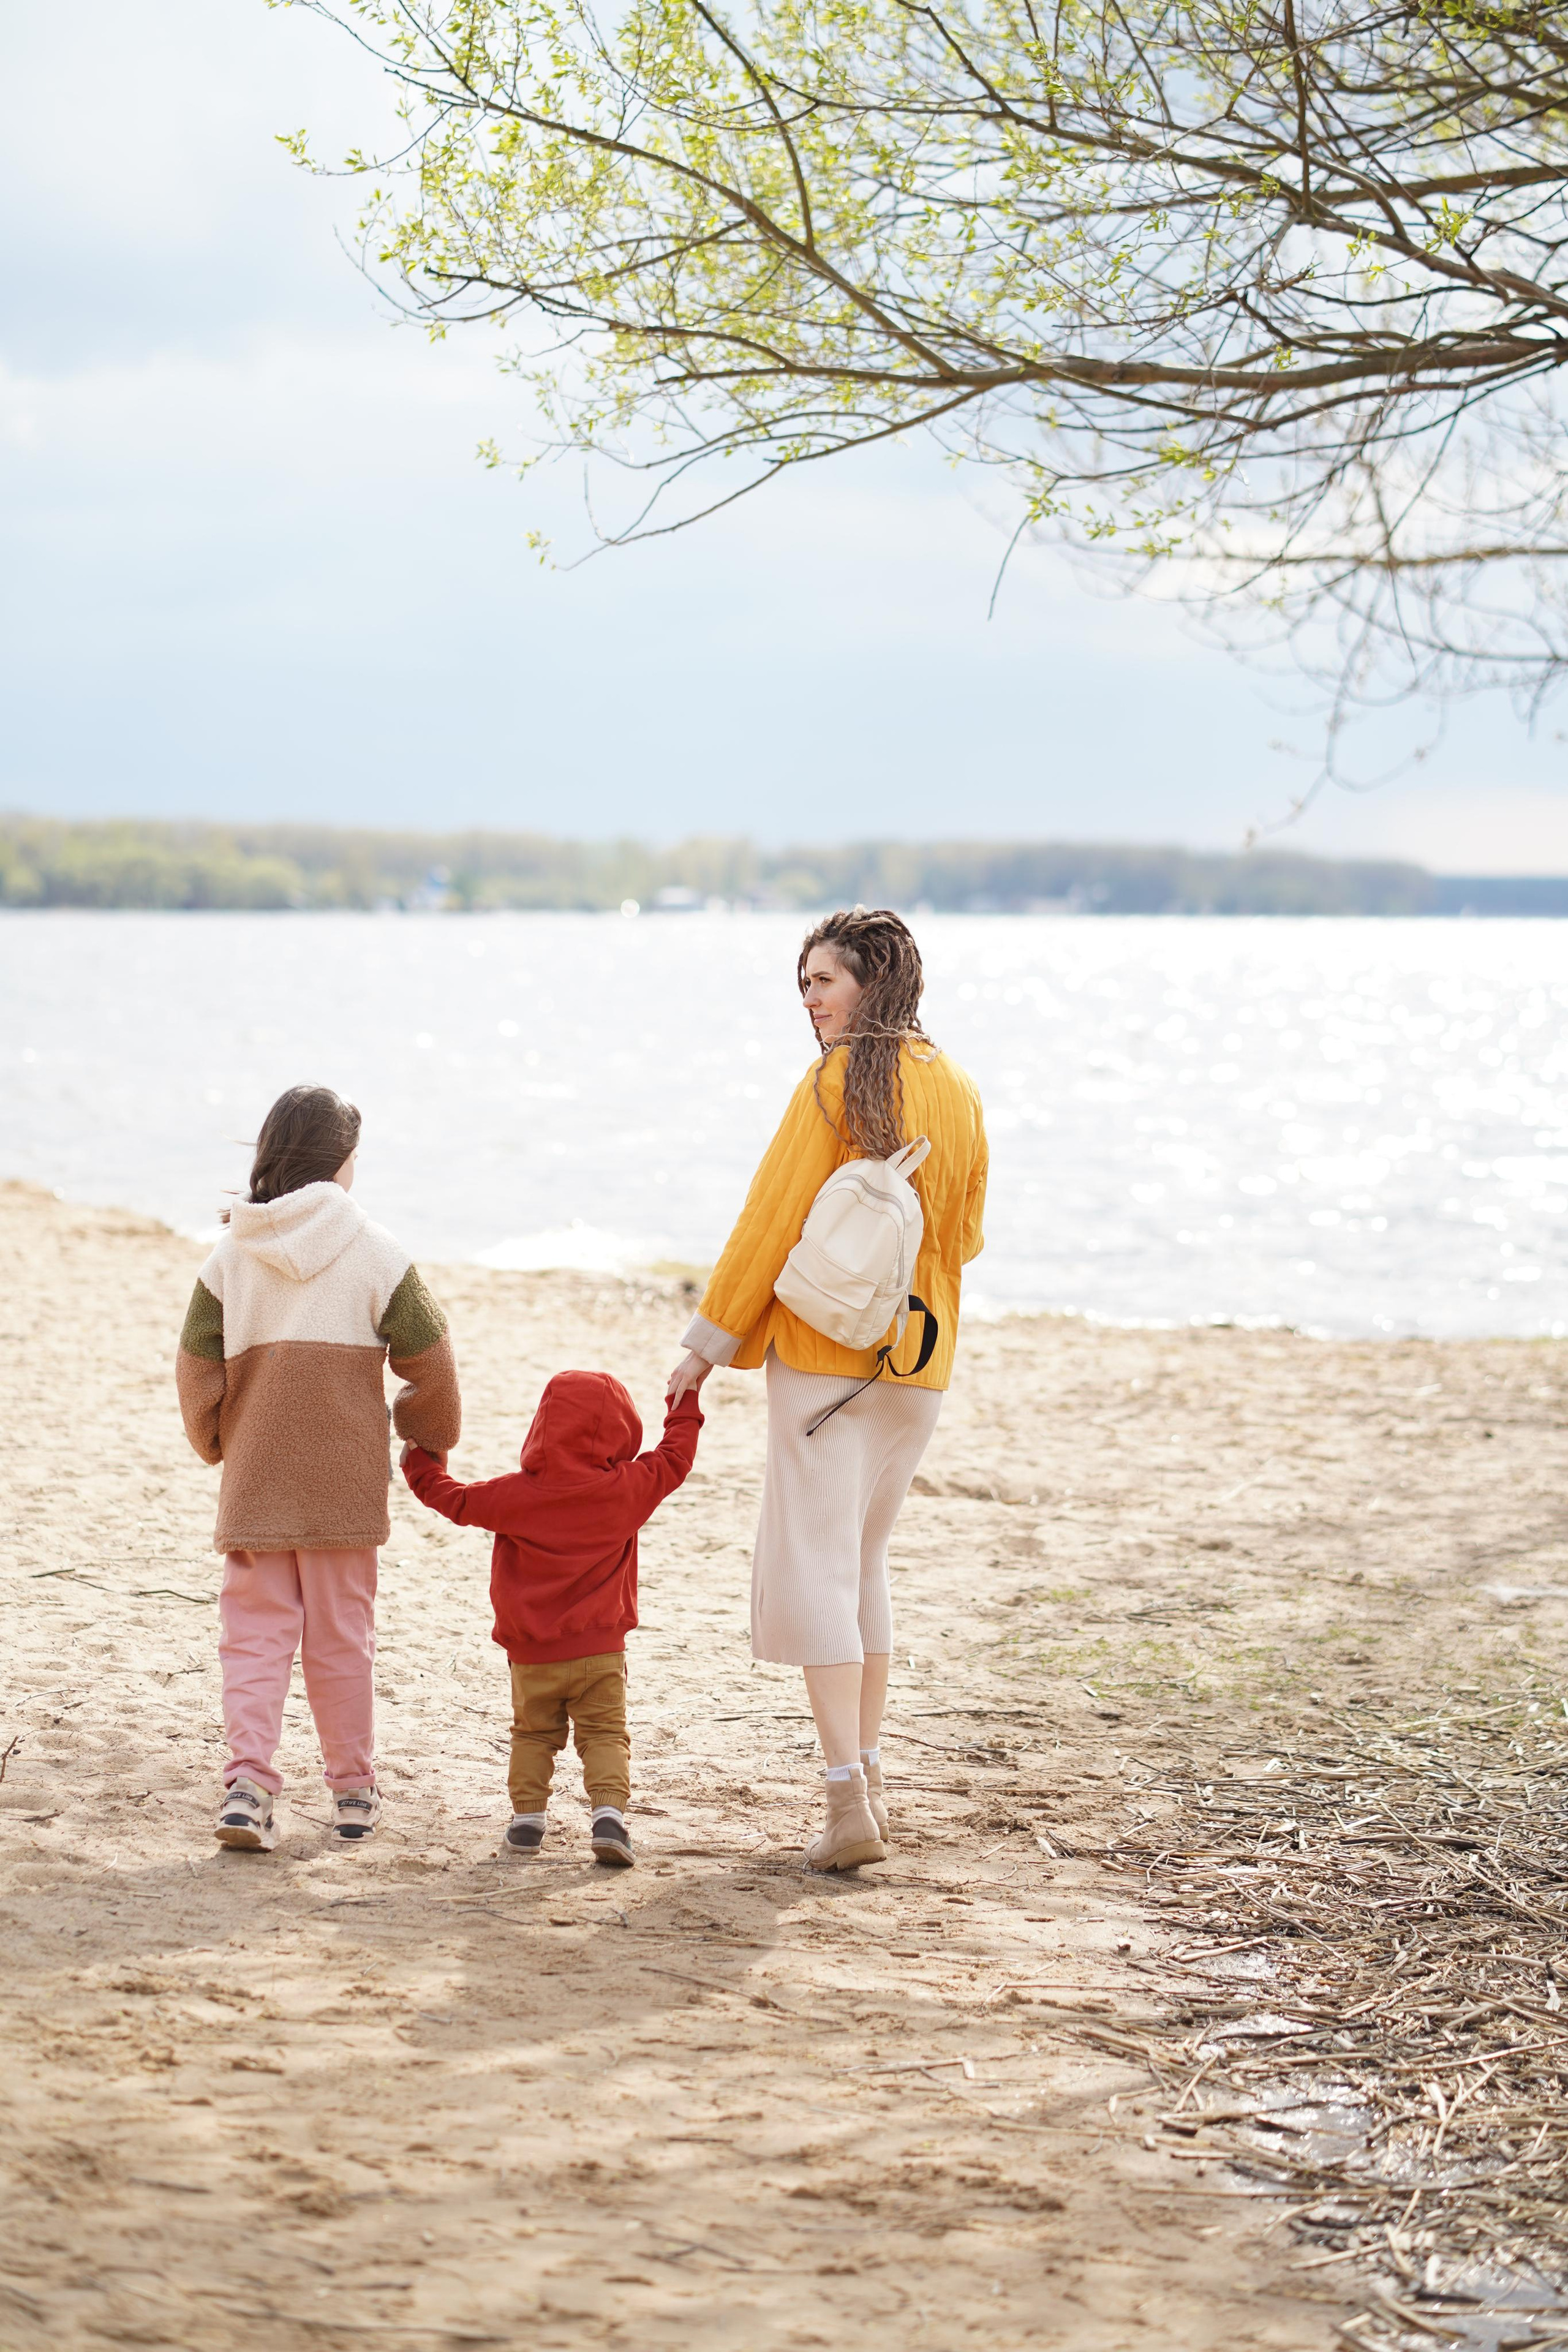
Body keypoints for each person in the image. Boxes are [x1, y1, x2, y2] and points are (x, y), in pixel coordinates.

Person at [667, 907, 987, 1872]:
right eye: (803, 984)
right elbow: (964, 1237)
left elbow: (768, 1224)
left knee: (817, 1568)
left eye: (824, 983)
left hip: (823, 1355)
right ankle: (874, 1778)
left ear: (873, 981)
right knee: (864, 1565)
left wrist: (703, 1347)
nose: (808, 1001)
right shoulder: (960, 1088)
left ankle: (847, 1800)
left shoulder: (835, 1081)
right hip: (917, 1359)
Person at [176, 1084, 461, 1853]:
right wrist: (426, 1434)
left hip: (258, 1481)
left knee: (255, 1637)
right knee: (342, 1637)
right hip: (343, 1483)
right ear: (339, 1163)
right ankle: (353, 1792)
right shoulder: (376, 1250)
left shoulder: (230, 1255)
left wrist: (214, 1439)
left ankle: (247, 1786)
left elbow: (197, 1362)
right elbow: (430, 1358)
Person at [401, 1369, 703, 1868]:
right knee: (605, 1734)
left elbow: (451, 1499)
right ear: (622, 1432)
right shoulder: (628, 1489)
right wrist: (683, 1400)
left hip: (533, 1656)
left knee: (533, 1735)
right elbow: (677, 1456)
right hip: (602, 1653)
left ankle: (526, 1824)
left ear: (542, 1428)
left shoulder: (516, 1495)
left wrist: (420, 1462)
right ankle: (609, 1817)